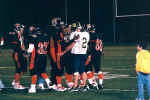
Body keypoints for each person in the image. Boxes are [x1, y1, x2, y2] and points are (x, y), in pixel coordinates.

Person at [28, 28, 51, 93]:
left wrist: (26, 52)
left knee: (34, 72)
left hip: (35, 58)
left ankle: (33, 88)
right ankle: (48, 82)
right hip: (43, 57)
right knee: (42, 72)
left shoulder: (34, 39)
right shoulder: (46, 39)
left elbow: (30, 49)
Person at [70, 22, 90, 91]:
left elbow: (71, 41)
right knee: (82, 70)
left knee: (76, 70)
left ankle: (75, 86)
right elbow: (87, 44)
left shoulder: (75, 33)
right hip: (84, 53)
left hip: (77, 54)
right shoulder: (86, 34)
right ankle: (84, 85)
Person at [85, 24, 104, 90]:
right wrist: (101, 51)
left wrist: (89, 54)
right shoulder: (99, 35)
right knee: (98, 69)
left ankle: (91, 84)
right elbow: (101, 46)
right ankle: (100, 84)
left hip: (92, 54)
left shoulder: (91, 36)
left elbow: (90, 47)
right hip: (98, 54)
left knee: (88, 69)